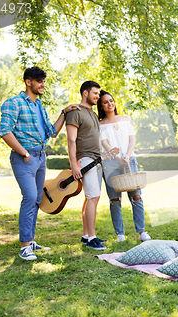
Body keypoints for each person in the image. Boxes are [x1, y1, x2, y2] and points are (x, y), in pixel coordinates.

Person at [0, 66, 79, 260]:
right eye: (40, 81)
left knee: (36, 199)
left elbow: (51, 131)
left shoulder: (39, 105)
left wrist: (64, 113)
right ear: (28, 82)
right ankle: (24, 246)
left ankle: (30, 240)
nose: (43, 85)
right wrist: (24, 152)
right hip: (24, 158)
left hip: (41, 157)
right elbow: (4, 131)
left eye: (44, 81)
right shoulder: (14, 103)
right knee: (30, 196)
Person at [97, 90, 151, 242]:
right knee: (115, 200)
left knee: (136, 196)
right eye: (105, 102)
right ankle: (120, 234)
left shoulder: (126, 119)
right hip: (110, 163)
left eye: (111, 100)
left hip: (129, 160)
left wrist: (127, 156)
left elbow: (131, 139)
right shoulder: (100, 124)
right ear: (101, 106)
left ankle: (141, 232)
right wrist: (117, 158)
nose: (109, 104)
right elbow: (105, 143)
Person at [65, 81, 107, 250]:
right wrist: (74, 164)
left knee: (92, 197)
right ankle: (92, 238)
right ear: (85, 93)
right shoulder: (76, 112)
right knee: (92, 197)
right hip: (85, 159)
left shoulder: (93, 114)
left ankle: (85, 235)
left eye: (98, 94)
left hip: (96, 160)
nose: (98, 96)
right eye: (95, 93)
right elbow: (71, 140)